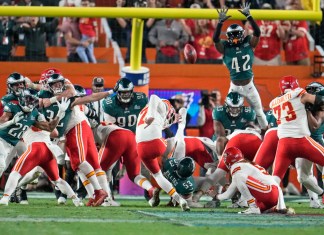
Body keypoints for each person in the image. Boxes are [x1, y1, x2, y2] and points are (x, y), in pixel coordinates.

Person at [213, 4, 268, 132]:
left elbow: (258, 32)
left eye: (238, 34)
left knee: (259, 111)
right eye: (233, 35)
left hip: (249, 86)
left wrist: (249, 16)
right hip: (235, 87)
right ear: (228, 37)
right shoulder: (225, 47)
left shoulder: (249, 43)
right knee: (228, 112)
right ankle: (226, 135)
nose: (236, 37)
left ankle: (266, 133)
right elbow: (215, 39)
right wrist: (220, 22)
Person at [269, 75, 324, 193]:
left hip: (284, 143)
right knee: (303, 177)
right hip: (301, 140)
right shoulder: (299, 94)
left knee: (275, 177)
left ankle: (268, 202)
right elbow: (318, 101)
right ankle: (321, 195)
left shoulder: (273, 103)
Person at [136, 95, 190, 211]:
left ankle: (178, 198)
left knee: (157, 175)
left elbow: (162, 122)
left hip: (141, 148)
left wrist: (172, 120)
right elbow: (154, 97)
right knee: (176, 141)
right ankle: (175, 175)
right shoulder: (165, 105)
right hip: (157, 143)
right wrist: (151, 115)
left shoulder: (144, 114)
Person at [215, 147, 293, 214]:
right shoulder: (246, 165)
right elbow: (275, 185)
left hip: (269, 193)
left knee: (239, 177)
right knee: (261, 209)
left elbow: (229, 194)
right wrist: (282, 206)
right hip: (272, 196)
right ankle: (274, 208)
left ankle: (253, 207)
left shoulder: (236, 166)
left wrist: (216, 196)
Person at [212, 92, 257, 156]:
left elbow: (249, 132)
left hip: (238, 142)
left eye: (237, 108)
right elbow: (220, 136)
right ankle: (220, 161)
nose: (235, 110)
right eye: (232, 108)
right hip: (219, 144)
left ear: (241, 106)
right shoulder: (219, 112)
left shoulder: (248, 113)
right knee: (220, 140)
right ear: (226, 105)